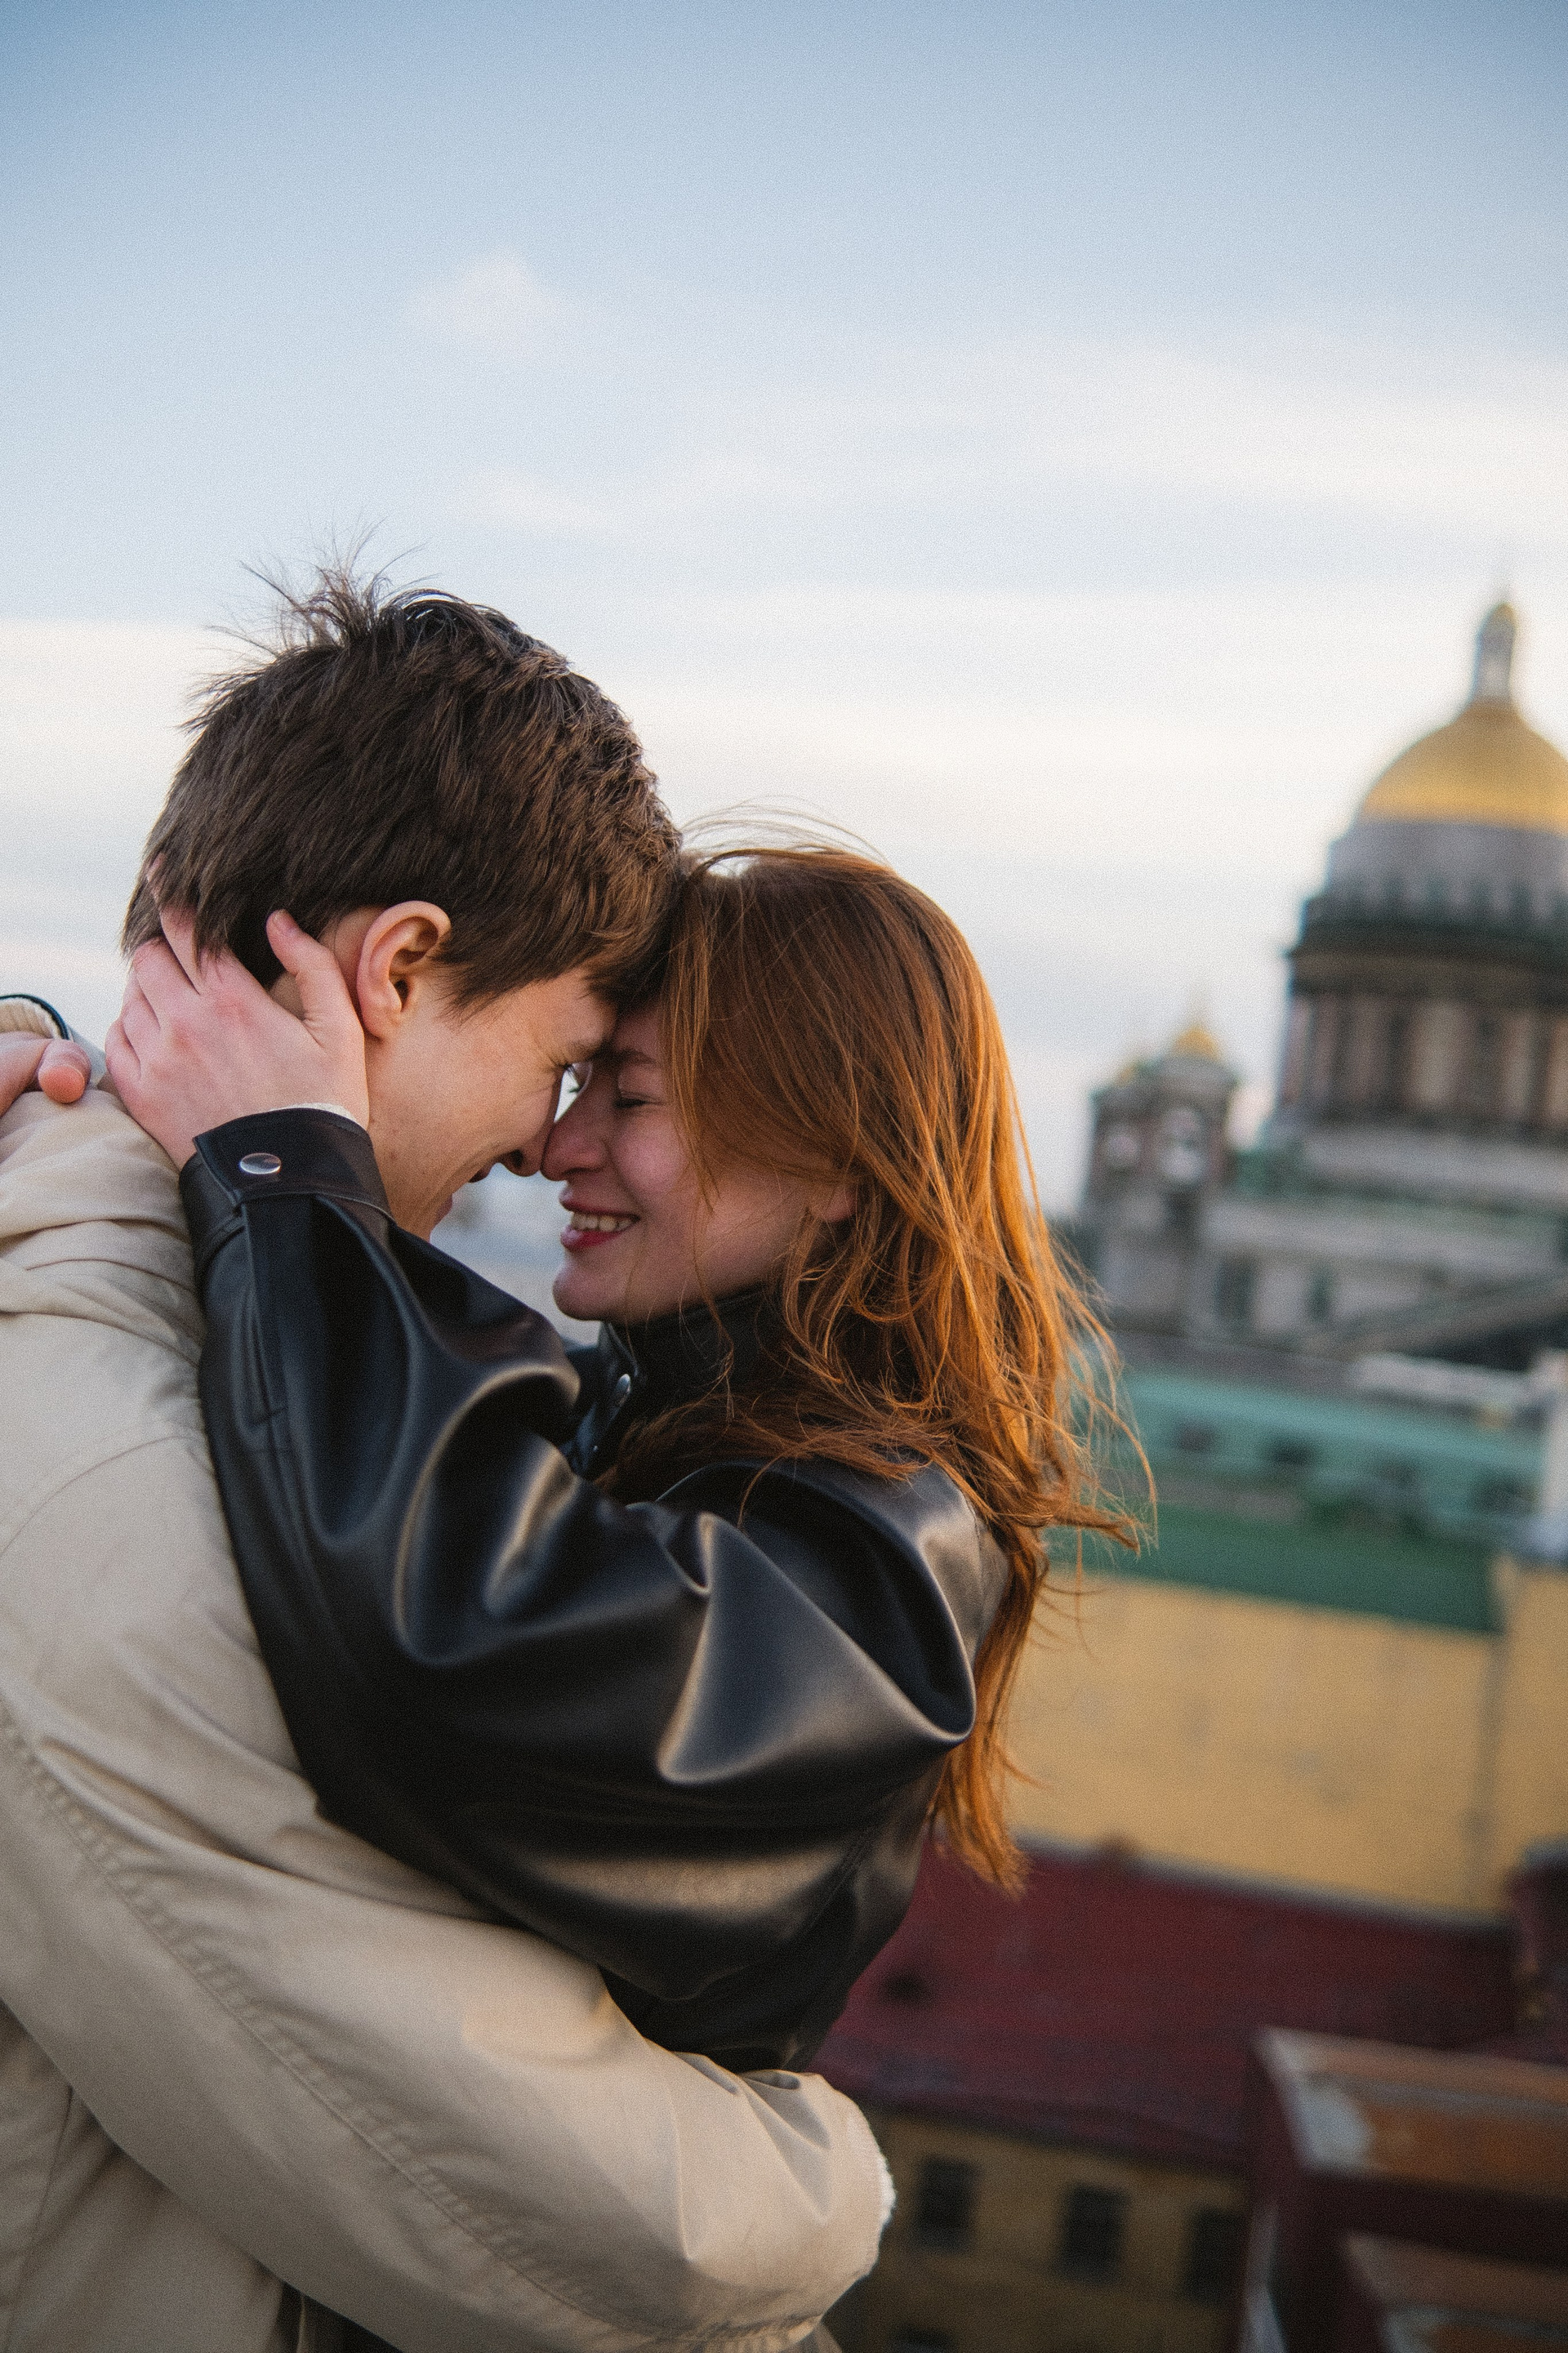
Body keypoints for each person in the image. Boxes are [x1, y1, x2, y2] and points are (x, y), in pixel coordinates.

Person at [0, 579, 889, 2351]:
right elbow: (560, 2226)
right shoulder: (94, 1484)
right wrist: (817, 2186)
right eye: (562, 1061)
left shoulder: (159, 1330)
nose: (542, 1148)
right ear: (399, 968)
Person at [104, 842, 1126, 2079]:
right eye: (576, 1080)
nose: (558, 1145)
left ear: (836, 1162)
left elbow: (448, 1647)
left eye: (630, 1099)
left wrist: (285, 1168)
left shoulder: (878, 1574)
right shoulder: (620, 1419)